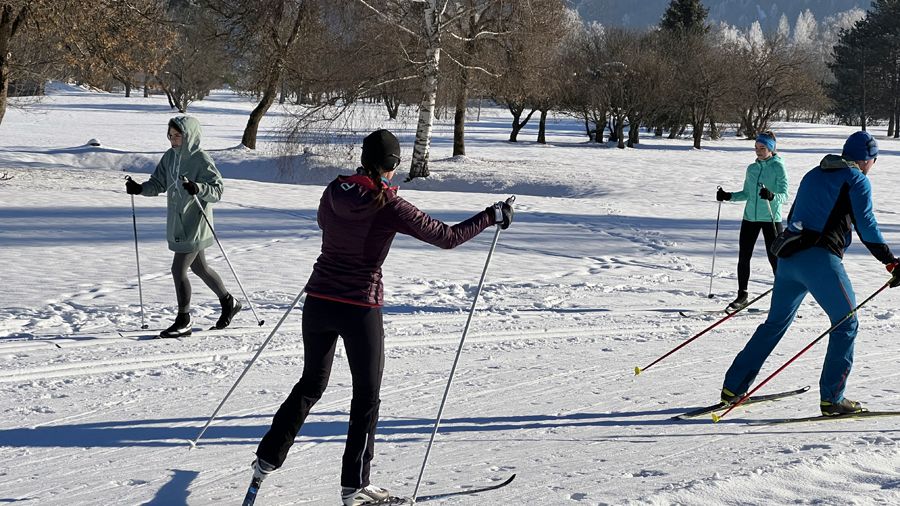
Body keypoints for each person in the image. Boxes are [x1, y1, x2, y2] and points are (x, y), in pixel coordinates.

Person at [248, 129, 514, 506]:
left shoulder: (333, 191)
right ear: (393, 165)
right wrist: (492, 215)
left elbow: (326, 224)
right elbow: (447, 237)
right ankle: (354, 486)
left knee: (310, 384)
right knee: (366, 396)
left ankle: (267, 459)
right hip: (359, 308)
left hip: (319, 301)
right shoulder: (388, 203)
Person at [720, 130, 900, 416]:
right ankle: (832, 398)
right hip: (820, 260)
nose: (872, 166)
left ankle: (733, 387)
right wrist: (891, 262)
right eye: (873, 161)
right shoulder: (857, 180)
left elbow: (793, 217)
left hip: (789, 260)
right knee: (846, 323)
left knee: (775, 323)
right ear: (867, 159)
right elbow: (867, 226)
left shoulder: (813, 173)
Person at [125, 116, 241, 338]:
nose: (173, 140)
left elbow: (217, 190)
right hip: (178, 222)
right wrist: (139, 189)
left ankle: (184, 319)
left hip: (196, 223)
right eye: (170, 135)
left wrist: (198, 188)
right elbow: (158, 183)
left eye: (178, 135)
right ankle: (229, 302)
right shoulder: (169, 157)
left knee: (178, 269)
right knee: (200, 268)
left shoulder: (201, 159)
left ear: (189, 135)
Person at [716, 131, 788, 311]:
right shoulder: (752, 168)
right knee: (744, 256)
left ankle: (784, 298)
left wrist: (772, 196)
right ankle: (742, 295)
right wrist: (728, 196)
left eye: (762, 148)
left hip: (771, 218)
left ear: (771, 149)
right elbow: (747, 194)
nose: (758, 151)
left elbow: (784, 195)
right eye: (756, 148)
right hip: (750, 218)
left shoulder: (778, 167)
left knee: (775, 259)